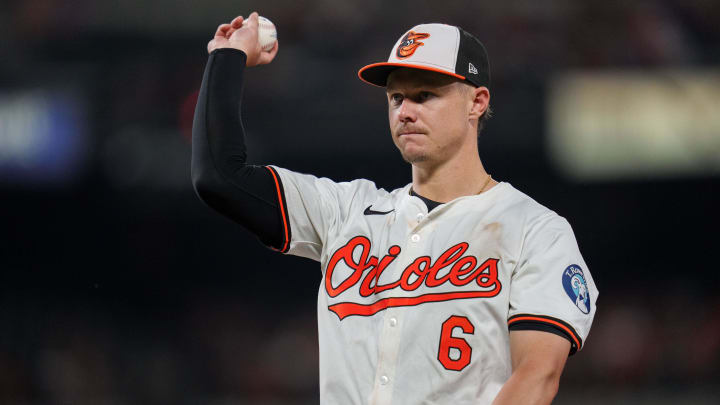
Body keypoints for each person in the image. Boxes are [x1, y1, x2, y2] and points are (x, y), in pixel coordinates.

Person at [192, 12, 598, 405]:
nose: (405, 111)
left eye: (425, 95)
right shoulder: (345, 211)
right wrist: (226, 56)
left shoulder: (534, 229)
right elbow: (219, 177)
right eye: (396, 97)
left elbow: (537, 377)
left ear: (476, 102)